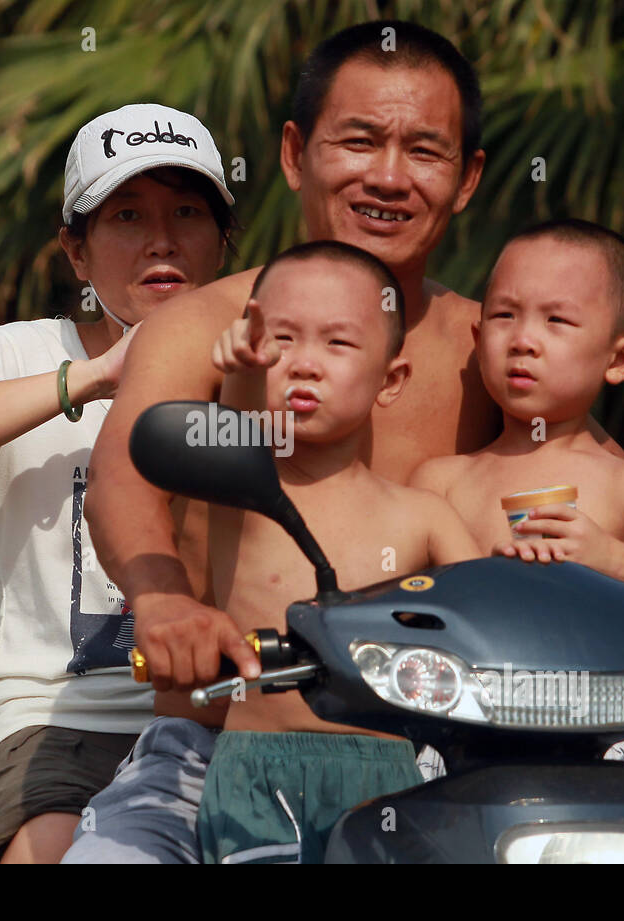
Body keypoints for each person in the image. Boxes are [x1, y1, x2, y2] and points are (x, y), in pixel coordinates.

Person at [64, 21, 624, 863]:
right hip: (217, 747)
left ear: (468, 177)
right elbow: (126, 483)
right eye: (360, 140)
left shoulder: (487, 350)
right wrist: (164, 601)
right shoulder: (203, 328)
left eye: (424, 150)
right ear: (297, 154)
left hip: (452, 754)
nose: (388, 175)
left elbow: (595, 495)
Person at [0, 103, 236, 863]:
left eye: (187, 211)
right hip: (54, 720)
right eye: (127, 215)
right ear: (76, 253)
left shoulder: (265, 368)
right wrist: (99, 376)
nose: (162, 239)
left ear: (223, 242)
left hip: (223, 718)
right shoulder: (27, 352)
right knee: (51, 843)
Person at [197, 240, 482, 864]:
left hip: (391, 772)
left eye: (338, 343)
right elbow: (236, 428)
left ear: (392, 379)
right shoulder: (242, 492)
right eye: (282, 341)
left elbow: (487, 625)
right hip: (254, 776)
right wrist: (242, 367)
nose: (304, 364)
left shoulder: (421, 516)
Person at [409, 220, 624, 612]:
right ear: (478, 341)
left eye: (557, 320)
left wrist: (612, 558)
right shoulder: (441, 482)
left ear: (619, 360)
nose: (523, 341)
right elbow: (401, 595)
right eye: (505, 315)